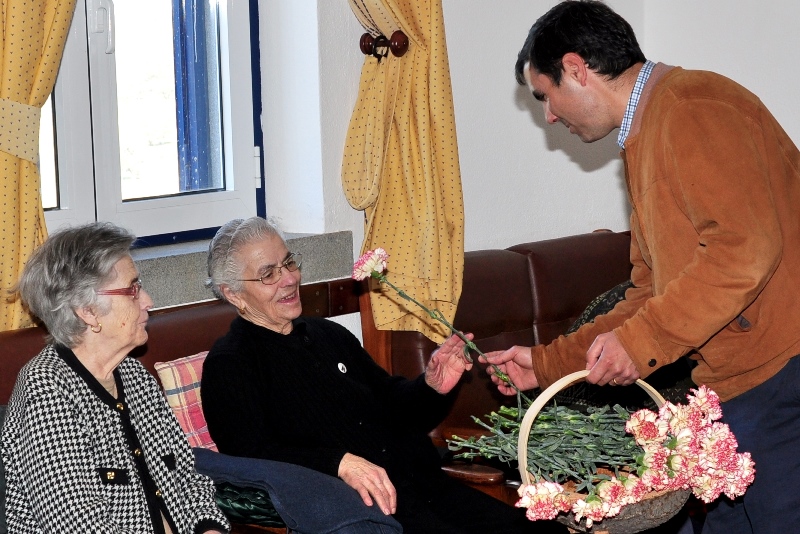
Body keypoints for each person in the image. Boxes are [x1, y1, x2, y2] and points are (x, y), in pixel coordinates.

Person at [482, 2, 800, 534]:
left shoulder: (694, 106)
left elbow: (743, 249)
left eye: (546, 95)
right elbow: (648, 294)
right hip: (734, 394)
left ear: (576, 68)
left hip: (780, 379)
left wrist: (642, 340)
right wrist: (544, 365)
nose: (550, 116)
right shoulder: (647, 133)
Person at [201, 216, 568, 534]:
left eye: (289, 262)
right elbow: (251, 457)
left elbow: (393, 405)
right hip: (365, 514)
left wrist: (431, 386)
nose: (289, 279)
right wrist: (338, 462)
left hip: (425, 486)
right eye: (268, 274)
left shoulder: (328, 335)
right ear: (233, 294)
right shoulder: (230, 365)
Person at [0, 222, 230, 534]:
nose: (147, 300)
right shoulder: (47, 389)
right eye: (132, 289)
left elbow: (187, 478)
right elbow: (78, 525)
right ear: (88, 312)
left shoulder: (133, 374)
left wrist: (209, 529)